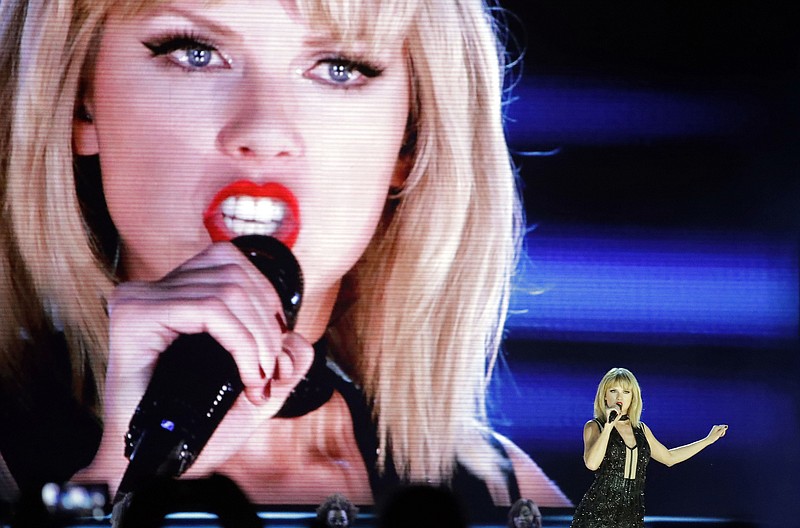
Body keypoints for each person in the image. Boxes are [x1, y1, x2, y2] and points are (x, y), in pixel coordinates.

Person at [0, 0, 570, 513]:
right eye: (195, 54)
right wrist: (126, 474)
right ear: (80, 101)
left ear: (410, 141)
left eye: (339, 69)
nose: (265, 130)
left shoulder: (500, 494)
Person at [570, 368, 728, 528]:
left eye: (626, 392)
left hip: (631, 514)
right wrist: (609, 426)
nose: (619, 397)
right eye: (613, 391)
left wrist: (708, 440)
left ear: (632, 398)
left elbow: (669, 458)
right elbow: (592, 463)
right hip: (598, 514)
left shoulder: (641, 430)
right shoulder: (594, 427)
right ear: (604, 395)